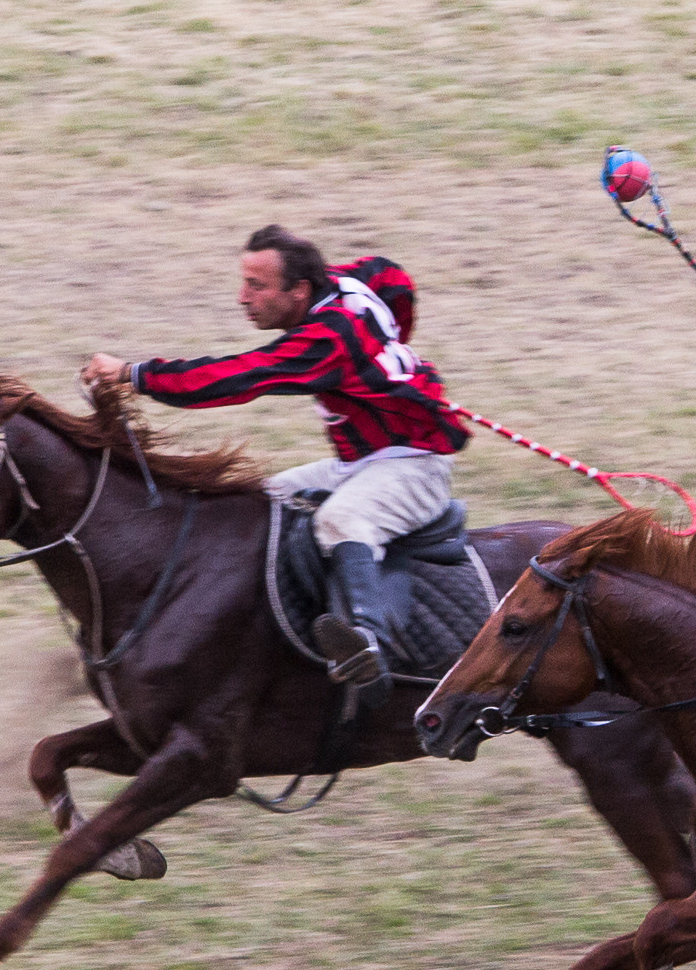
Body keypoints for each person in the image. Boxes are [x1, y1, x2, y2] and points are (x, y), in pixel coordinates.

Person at [82, 225, 467, 687]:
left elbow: (240, 377)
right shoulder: (349, 282)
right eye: (245, 282)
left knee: (341, 522)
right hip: (360, 463)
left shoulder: (330, 339)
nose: (243, 297)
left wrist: (134, 374)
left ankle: (369, 641)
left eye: (257, 286)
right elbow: (393, 277)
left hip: (412, 466)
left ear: (300, 290)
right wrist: (392, 350)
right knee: (256, 503)